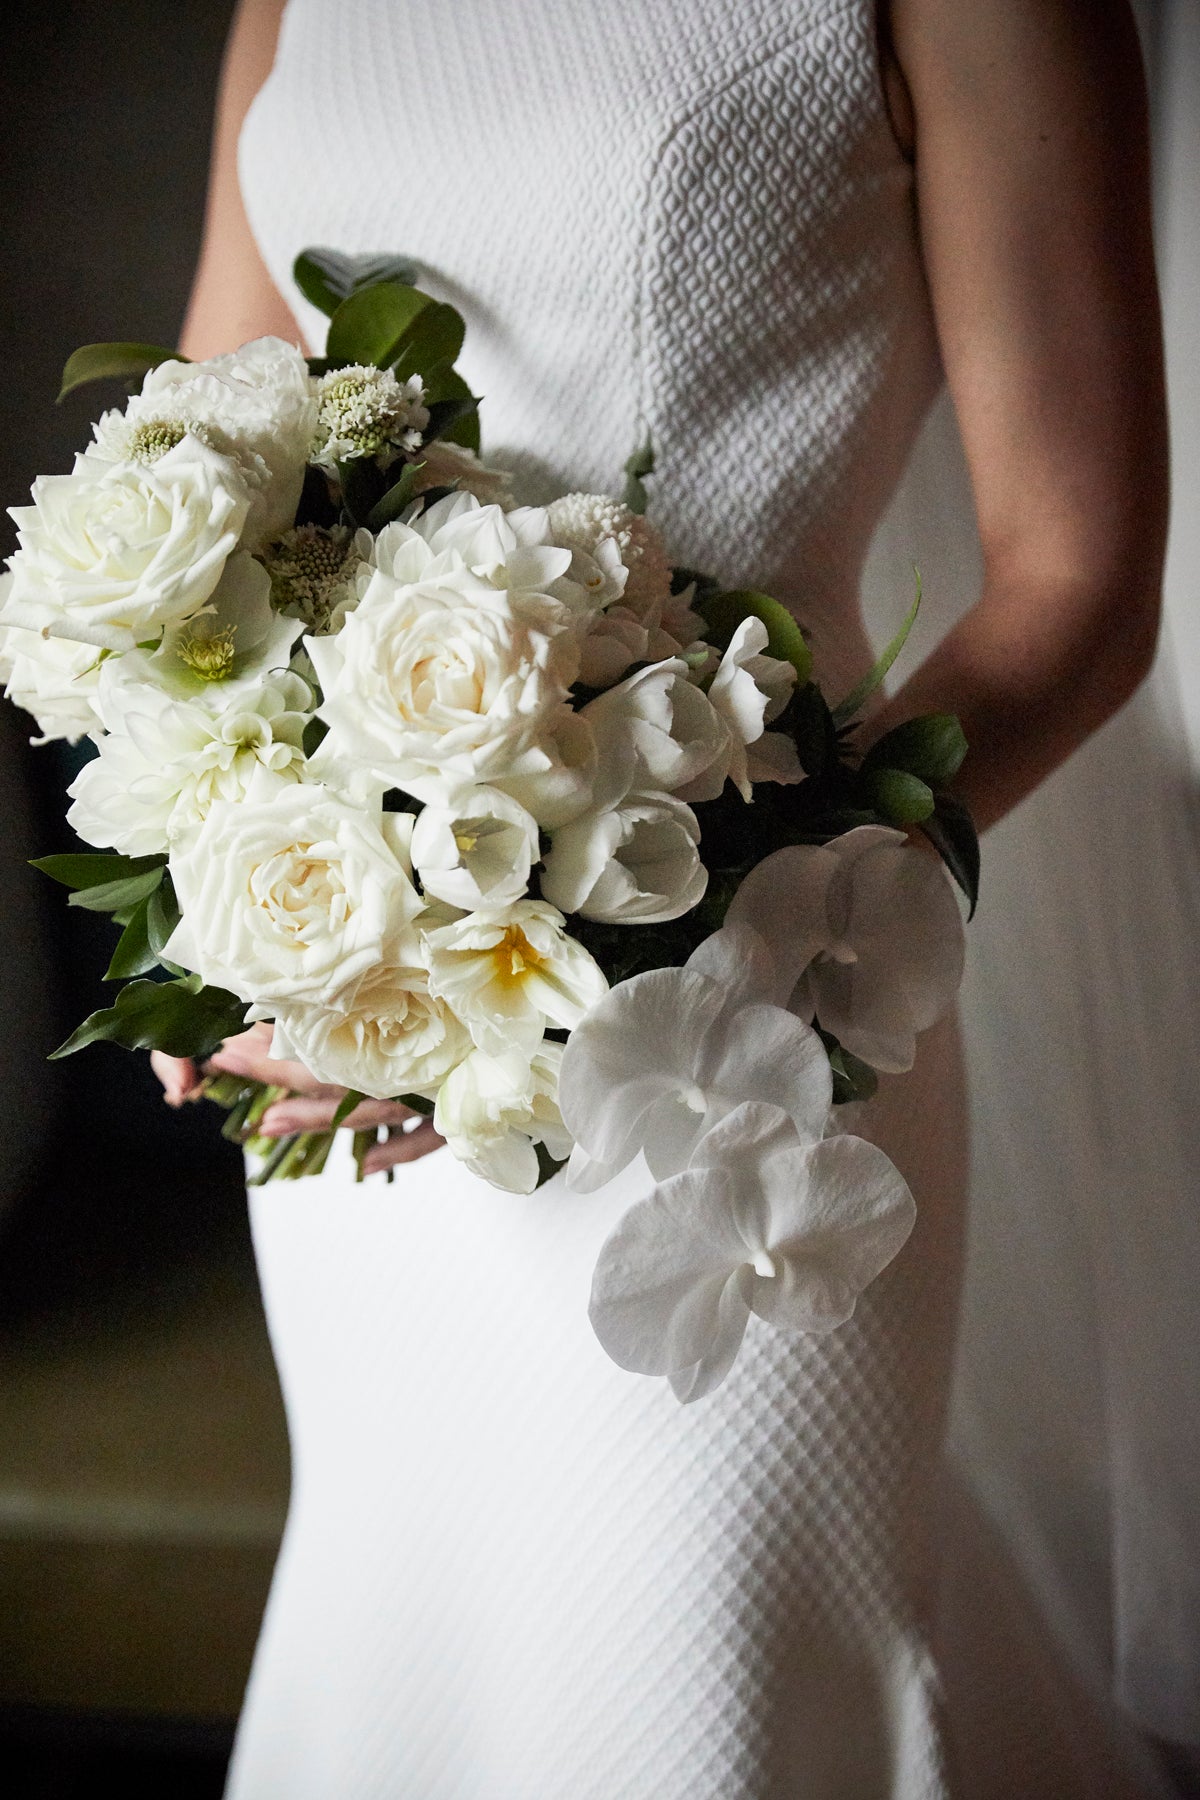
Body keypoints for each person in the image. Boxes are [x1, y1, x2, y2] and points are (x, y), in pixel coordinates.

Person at [156, 0, 1174, 1792]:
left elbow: (1079, 577)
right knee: (428, 1637)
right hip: (369, 1023)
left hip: (747, 1046)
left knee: (711, 1677)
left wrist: (689, 919)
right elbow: (206, 475)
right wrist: (229, 895)